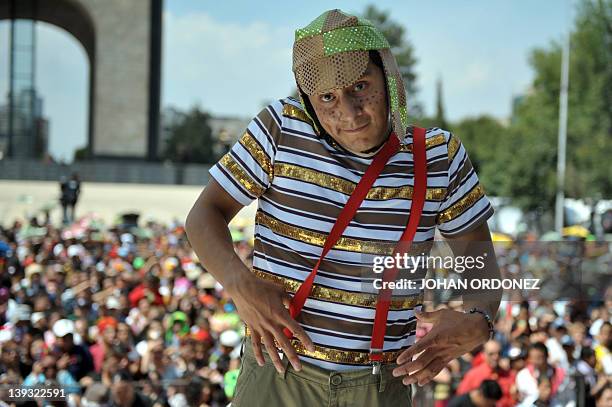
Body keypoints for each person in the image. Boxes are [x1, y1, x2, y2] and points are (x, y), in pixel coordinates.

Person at [186, 9, 500, 406]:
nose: (348, 113)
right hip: (278, 377)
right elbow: (204, 213)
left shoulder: (438, 157)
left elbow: (481, 266)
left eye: (360, 86)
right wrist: (237, 281)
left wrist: (479, 318)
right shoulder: (280, 129)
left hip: (382, 385)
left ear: (388, 80)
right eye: (327, 97)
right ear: (307, 97)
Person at [456, 340, 516, 407]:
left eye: (499, 353)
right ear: (483, 354)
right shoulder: (473, 375)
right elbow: (461, 399)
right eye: (491, 354)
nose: (495, 357)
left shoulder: (509, 375)